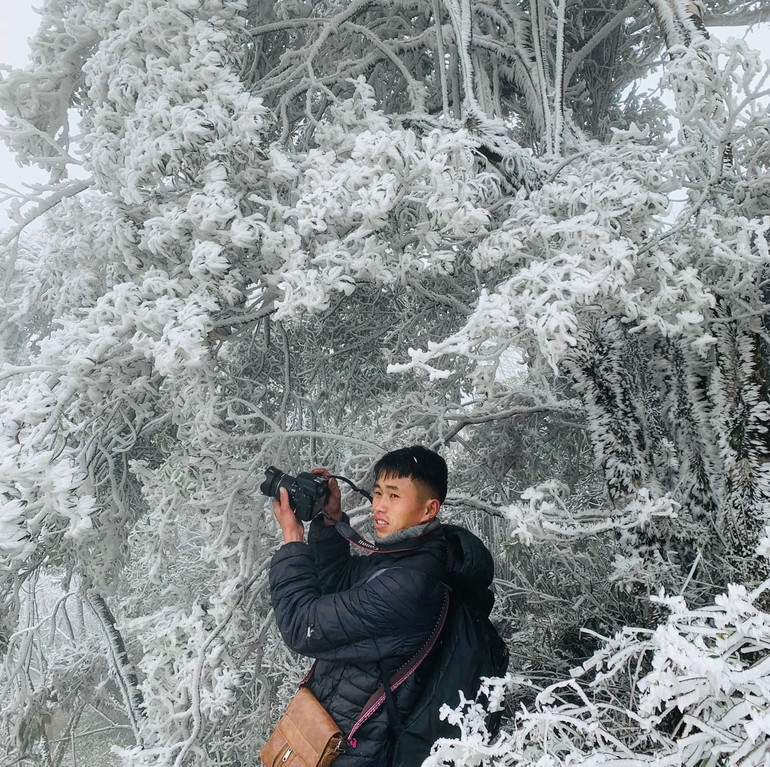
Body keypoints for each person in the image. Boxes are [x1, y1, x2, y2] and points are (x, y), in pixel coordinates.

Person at [268, 445, 497, 766]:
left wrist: (292, 539)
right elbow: (337, 586)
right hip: (332, 737)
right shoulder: (404, 561)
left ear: (429, 509)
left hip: (356, 752)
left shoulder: (409, 585)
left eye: (393, 496)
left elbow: (302, 626)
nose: (379, 506)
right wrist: (330, 522)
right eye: (377, 493)